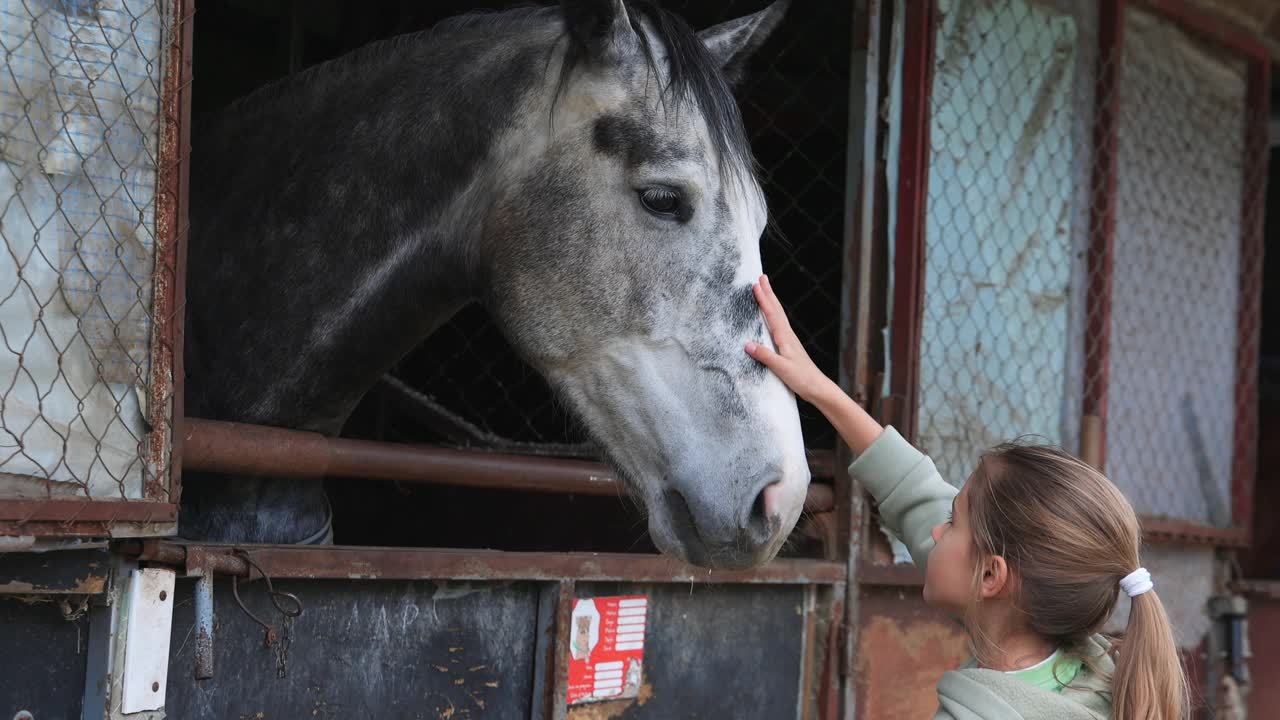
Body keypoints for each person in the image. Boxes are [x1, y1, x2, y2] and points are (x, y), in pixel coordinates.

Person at [745, 275, 1189, 720]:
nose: (936, 529)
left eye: (953, 522)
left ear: (992, 577)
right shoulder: (1080, 668)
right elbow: (916, 492)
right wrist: (819, 388)